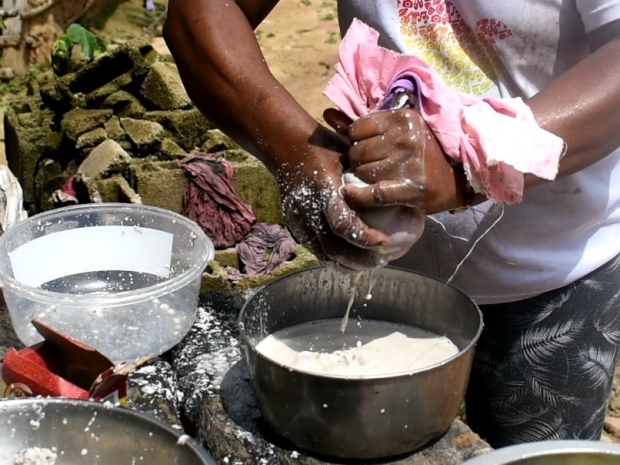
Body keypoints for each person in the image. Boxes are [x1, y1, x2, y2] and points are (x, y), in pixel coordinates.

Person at [163, 0, 620, 448]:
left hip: (558, 274)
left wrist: (474, 159)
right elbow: (199, 15)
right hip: (387, 276)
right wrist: (294, 151)